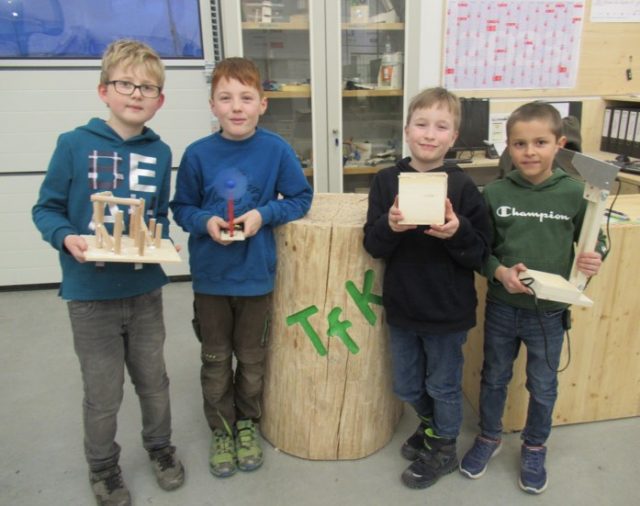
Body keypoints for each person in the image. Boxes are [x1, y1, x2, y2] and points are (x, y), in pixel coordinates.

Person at [32, 39, 184, 505]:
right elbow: (47, 209)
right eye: (125, 84)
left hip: (143, 293)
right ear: (104, 90)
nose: (136, 94)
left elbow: (157, 213)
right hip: (90, 295)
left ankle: (160, 449)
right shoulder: (74, 145)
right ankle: (103, 467)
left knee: (153, 382)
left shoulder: (160, 154)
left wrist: (161, 239)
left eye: (148, 88)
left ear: (159, 101)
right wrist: (66, 237)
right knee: (102, 392)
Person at [170, 57, 313, 478]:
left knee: (251, 359)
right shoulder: (197, 154)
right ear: (212, 105)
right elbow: (182, 208)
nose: (237, 107)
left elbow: (301, 197)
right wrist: (205, 222)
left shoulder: (275, 151)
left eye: (246, 97)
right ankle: (222, 428)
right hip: (211, 280)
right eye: (225, 97)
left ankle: (247, 424)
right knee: (215, 358)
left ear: (262, 104)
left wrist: (263, 215)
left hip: (255, 279)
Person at [459, 102, 604, 494]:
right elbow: (480, 250)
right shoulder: (495, 194)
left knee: (543, 385)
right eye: (520, 144)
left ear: (559, 144)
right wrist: (498, 272)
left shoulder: (577, 194)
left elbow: (594, 242)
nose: (530, 152)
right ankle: (489, 436)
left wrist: (594, 257)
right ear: (508, 146)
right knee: (494, 378)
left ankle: (535, 446)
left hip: (549, 314)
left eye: (540, 142)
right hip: (504, 308)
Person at [363, 87, 491, 490]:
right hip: (402, 306)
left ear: (453, 137)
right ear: (406, 130)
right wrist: (391, 226)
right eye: (421, 124)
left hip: (447, 310)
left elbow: (481, 252)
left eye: (441, 127)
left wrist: (457, 231)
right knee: (406, 384)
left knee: (443, 384)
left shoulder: (464, 187)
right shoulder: (386, 182)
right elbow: (373, 244)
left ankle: (444, 446)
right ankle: (430, 424)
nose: (430, 134)